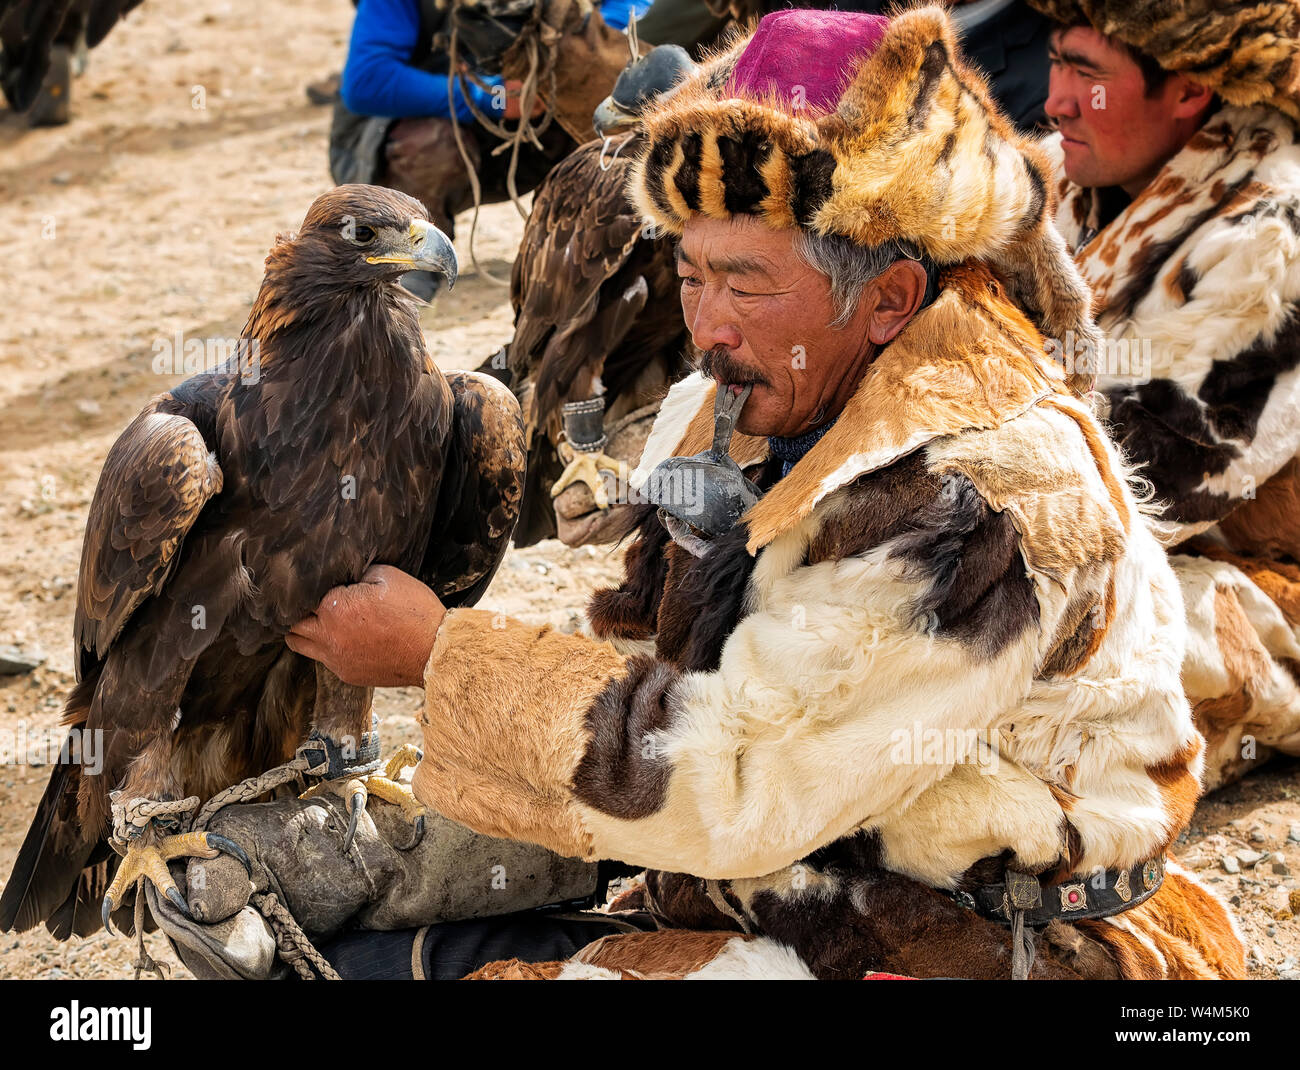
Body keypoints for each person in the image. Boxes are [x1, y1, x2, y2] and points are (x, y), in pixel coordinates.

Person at [269, 7, 1243, 979]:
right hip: (798, 883)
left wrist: (446, 656)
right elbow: (654, 679)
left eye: (745, 285)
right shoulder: (737, 398)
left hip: (992, 943)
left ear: (891, 298)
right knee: (322, 950)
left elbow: (743, 783)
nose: (707, 323)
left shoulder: (978, 487)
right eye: (690, 275)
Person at [1028, 0, 1300, 791]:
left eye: (1089, 74)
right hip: (1061, 531)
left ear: (1189, 91)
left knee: (1048, 702)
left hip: (1237, 565)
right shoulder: (1055, 180)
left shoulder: (1271, 243)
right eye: (1057, 61)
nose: (1056, 99)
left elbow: (1144, 495)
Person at [329, 0, 649, 299]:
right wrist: (491, 96)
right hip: (414, 137)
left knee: (606, 96)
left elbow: (638, 10)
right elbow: (366, 80)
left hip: (536, 127)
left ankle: (584, 253)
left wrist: (579, 53)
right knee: (430, 141)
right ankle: (408, 262)